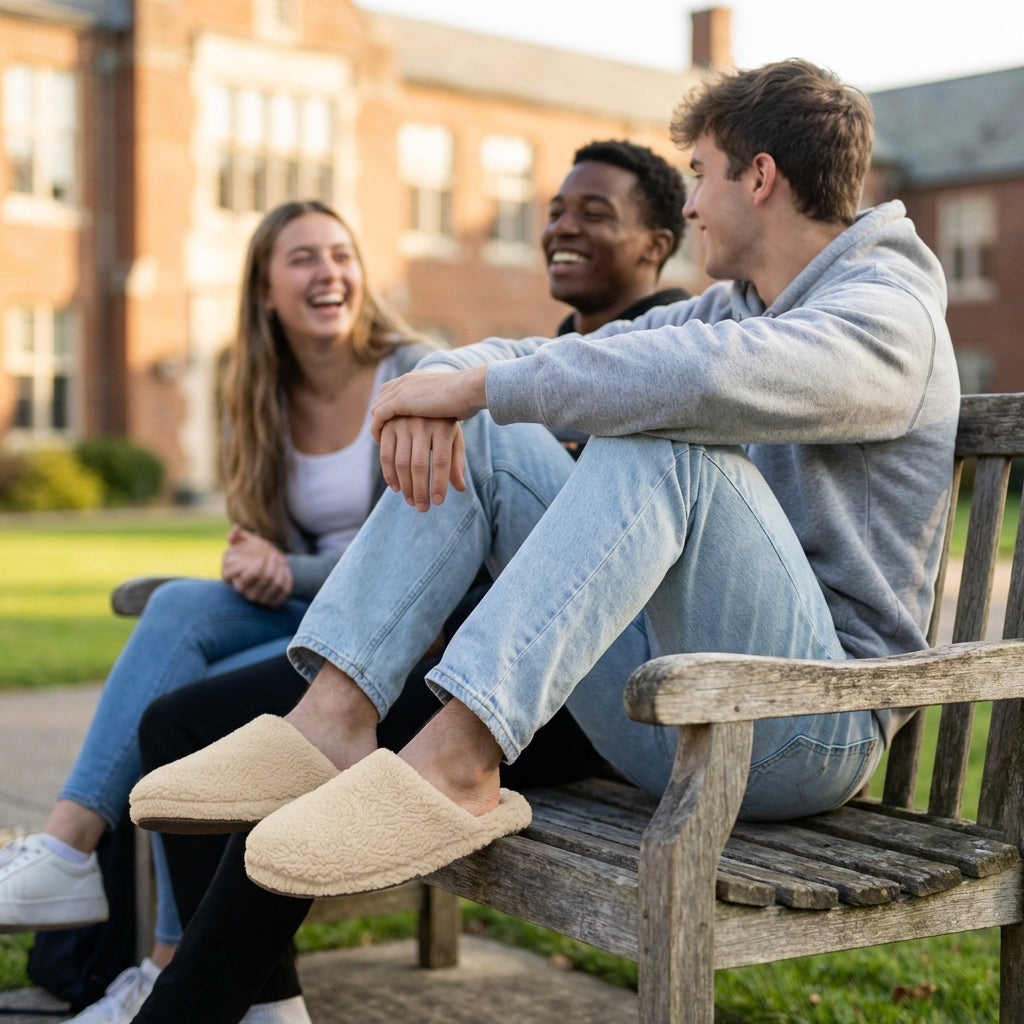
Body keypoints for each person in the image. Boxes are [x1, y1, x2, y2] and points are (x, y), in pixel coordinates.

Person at [129, 58, 959, 1023]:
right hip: (670, 708)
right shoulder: (741, 306)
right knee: (486, 426)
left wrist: (477, 385)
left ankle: (460, 762)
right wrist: (438, 388)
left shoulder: (887, 313)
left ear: (760, 177)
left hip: (801, 729)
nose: (690, 204)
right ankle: (334, 721)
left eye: (699, 173)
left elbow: (698, 378)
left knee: (664, 446)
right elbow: (558, 359)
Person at [127, 139, 691, 1021]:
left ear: (659, 241)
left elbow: (591, 562)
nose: (560, 229)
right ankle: (257, 1003)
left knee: (297, 762)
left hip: (561, 694)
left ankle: (188, 1007)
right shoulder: (536, 362)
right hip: (458, 668)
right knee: (178, 722)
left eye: (594, 213)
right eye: (555, 210)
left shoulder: (672, 359)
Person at [0, 199, 437, 1023]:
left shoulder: (411, 372)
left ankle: (160, 958)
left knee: (188, 717)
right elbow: (273, 545)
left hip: (393, 639)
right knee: (178, 608)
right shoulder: (260, 393)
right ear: (265, 290)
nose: (328, 273)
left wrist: (288, 566)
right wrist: (254, 560)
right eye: (303, 258)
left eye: (340, 254)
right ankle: (67, 847)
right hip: (314, 625)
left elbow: (416, 557)